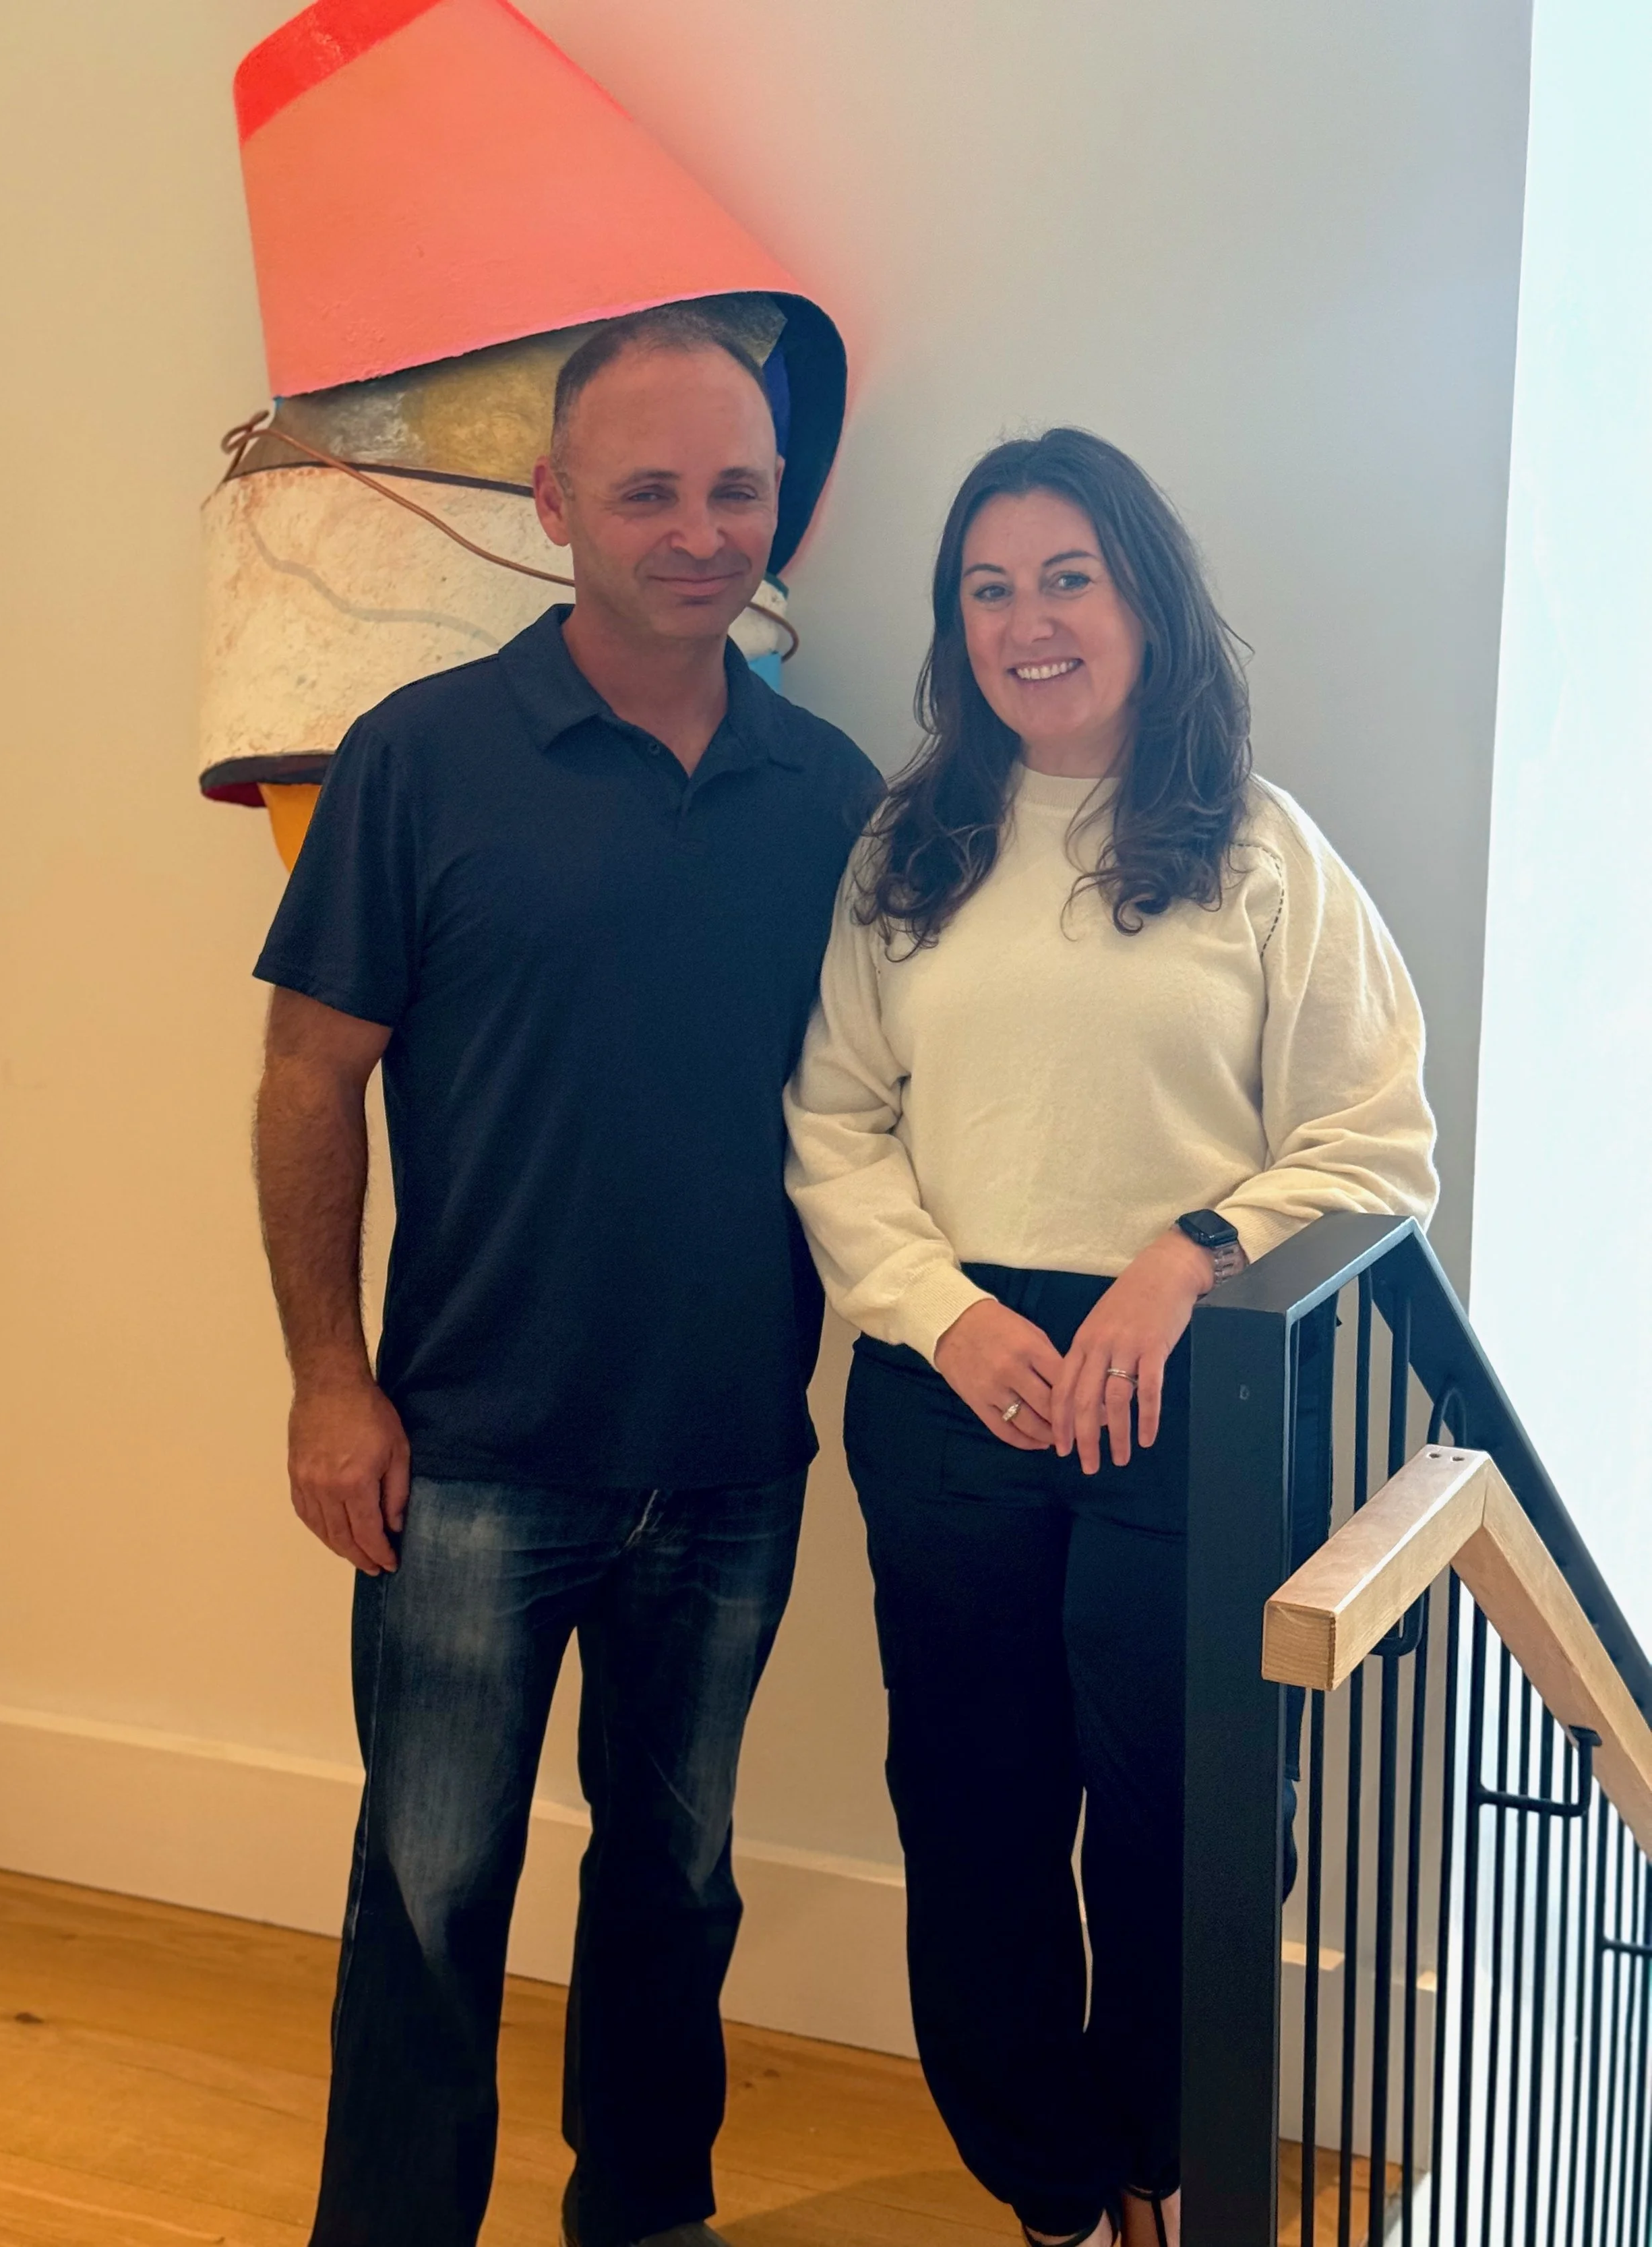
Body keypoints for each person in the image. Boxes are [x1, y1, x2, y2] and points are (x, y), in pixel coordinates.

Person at [252, 303, 878, 2247]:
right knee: (430, 1885)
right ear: (552, 505)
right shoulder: (418, 756)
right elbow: (308, 1079)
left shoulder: (833, 791)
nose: (700, 529)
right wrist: (328, 1380)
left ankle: (646, 2210)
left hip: (726, 1458)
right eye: (651, 490)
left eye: (739, 490)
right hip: (465, 1456)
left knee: (676, 1874)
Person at [784, 427, 1438, 2247]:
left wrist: (1189, 1251)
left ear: (1144, 597)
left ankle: (1163, 2163)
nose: (1028, 620)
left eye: (1067, 575)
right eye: (986, 588)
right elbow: (832, 1118)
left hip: (1196, 1379)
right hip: (952, 1379)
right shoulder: (906, 848)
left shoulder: (1256, 849)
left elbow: (1378, 1134)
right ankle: (1051, 2194)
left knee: (1186, 1815)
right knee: (979, 1812)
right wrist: (939, 1312)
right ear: (953, 626)